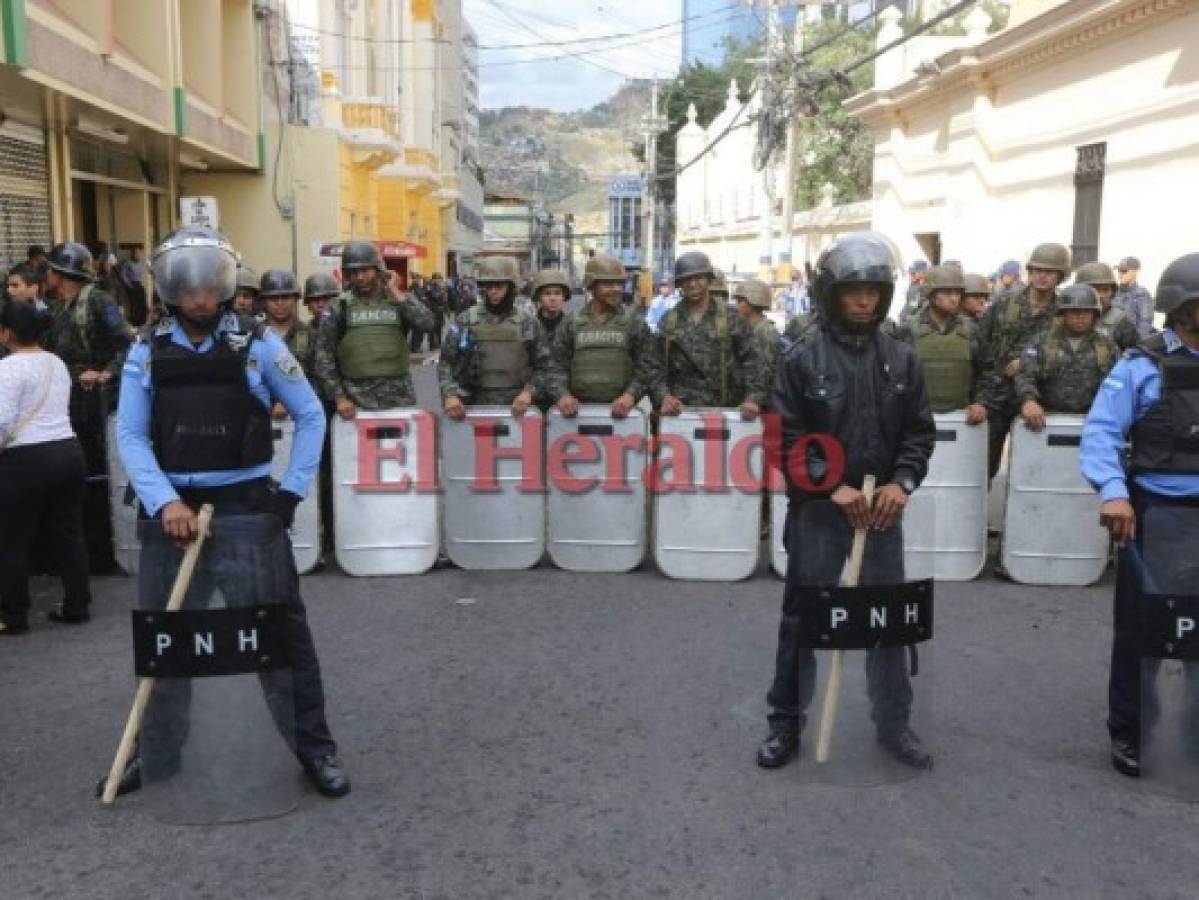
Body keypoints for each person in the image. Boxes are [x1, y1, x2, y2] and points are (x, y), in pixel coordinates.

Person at [110, 226, 349, 798]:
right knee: (169, 639)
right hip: (172, 517)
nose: (198, 299)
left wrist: (289, 495)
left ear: (222, 286)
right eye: (186, 287)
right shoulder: (146, 351)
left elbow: (311, 415)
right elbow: (132, 435)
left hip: (247, 509)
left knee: (281, 638)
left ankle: (314, 751)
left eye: (207, 286)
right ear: (170, 289)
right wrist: (165, 500)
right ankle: (158, 753)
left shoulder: (258, 343)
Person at [758, 232, 936, 771]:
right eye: (853, 291)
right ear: (831, 294)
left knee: (886, 619)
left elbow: (918, 435)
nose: (863, 301)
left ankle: (894, 724)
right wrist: (827, 485)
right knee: (804, 618)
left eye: (873, 291)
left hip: (880, 511)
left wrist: (901, 484)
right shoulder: (802, 360)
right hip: (820, 511)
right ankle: (785, 723)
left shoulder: (903, 359)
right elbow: (782, 439)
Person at [1080, 252, 1199, 777]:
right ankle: (1131, 731)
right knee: (1141, 627)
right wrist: (1113, 493)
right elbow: (1102, 433)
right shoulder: (1141, 366)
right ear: (1181, 307)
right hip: (1154, 511)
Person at [0, 300, 91, 634]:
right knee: (69, 533)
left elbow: (2, 421)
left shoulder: (7, 369)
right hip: (68, 451)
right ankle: (77, 605)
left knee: (13, 539)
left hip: (25, 460)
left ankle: (13, 616)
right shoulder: (57, 362)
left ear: (5, 333)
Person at [43, 241, 133, 573]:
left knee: (96, 476)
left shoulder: (98, 301)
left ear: (59, 273)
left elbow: (126, 344)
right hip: (66, 400)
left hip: (93, 401)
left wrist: (105, 373)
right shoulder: (57, 307)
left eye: (51, 271)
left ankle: (101, 552)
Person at [975, 242, 1070, 481]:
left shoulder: (1064, 311)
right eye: (1037, 270)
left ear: (1060, 276)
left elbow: (1066, 354)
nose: (1041, 277)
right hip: (996, 396)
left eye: (1049, 272)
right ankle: (975, 518)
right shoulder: (1005, 303)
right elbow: (981, 344)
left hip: (1035, 399)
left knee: (1032, 471)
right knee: (983, 466)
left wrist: (1028, 363)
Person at [313, 241, 433, 419]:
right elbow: (324, 357)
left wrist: (397, 292)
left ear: (379, 270)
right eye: (354, 272)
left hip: (398, 396)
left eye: (365, 270)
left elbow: (428, 323)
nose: (359, 277)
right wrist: (339, 398)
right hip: (355, 399)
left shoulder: (399, 300)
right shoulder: (339, 306)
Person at [654, 252, 767, 422]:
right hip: (679, 416)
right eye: (687, 280)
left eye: (699, 278)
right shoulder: (669, 320)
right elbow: (653, 366)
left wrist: (753, 399)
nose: (693, 284)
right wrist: (663, 396)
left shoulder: (732, 317)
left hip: (726, 414)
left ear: (708, 279)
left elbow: (754, 362)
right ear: (679, 284)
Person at [546, 254, 661, 419]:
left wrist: (631, 395)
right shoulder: (572, 321)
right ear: (591, 286)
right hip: (578, 413)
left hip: (622, 414)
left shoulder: (633, 321)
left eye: (619, 283)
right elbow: (556, 366)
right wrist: (562, 395)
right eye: (607, 284)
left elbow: (647, 366)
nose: (616, 289)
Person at [439, 256, 551, 420]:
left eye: (499, 286)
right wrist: (450, 394)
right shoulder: (466, 319)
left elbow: (544, 365)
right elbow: (446, 362)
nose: (493, 291)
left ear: (511, 287)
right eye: (488, 286)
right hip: (474, 404)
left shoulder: (528, 322)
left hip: (518, 406)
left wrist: (529, 392)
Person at [1014, 284, 1118, 431]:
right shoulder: (1042, 342)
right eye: (1074, 312)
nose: (1080, 317)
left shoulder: (1107, 346)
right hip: (1046, 421)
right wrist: (1028, 400)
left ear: (1095, 315)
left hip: (1093, 422)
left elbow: (1118, 384)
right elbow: (1025, 374)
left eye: (1086, 312)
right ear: (1063, 313)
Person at [898, 265, 987, 424]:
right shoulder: (908, 329)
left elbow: (986, 371)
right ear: (931, 295)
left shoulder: (971, 329)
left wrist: (980, 402)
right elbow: (896, 376)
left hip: (961, 419)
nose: (954, 298)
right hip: (918, 419)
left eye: (958, 293)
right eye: (946, 292)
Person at [260, 269, 316, 419]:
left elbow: (318, 376)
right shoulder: (254, 336)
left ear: (296, 299)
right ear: (264, 301)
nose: (279, 303)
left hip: (303, 415)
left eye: (285, 297)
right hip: (261, 415)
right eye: (273, 298)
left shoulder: (310, 334)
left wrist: (288, 401)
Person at [1075, 262, 1138, 351]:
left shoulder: (1121, 322)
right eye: (1094, 290)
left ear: (1112, 292)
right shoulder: (1069, 317)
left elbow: (1135, 357)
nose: (1100, 295)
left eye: (1105, 290)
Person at [733, 278, 782, 388]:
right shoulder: (747, 329)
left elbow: (767, 373)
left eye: (740, 300)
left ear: (753, 301)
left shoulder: (767, 332)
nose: (737, 305)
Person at [1114, 256, 1156, 339]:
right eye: (1119, 271)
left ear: (1136, 272)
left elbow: (1145, 324)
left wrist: (1135, 346)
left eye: (1124, 271)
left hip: (1131, 343)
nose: (1120, 275)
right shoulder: (1114, 292)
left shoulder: (1142, 295)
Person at [896, 259, 928, 325]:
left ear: (921, 274)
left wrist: (903, 317)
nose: (910, 276)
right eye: (911, 273)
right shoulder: (919, 286)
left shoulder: (916, 288)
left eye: (913, 273)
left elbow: (911, 307)